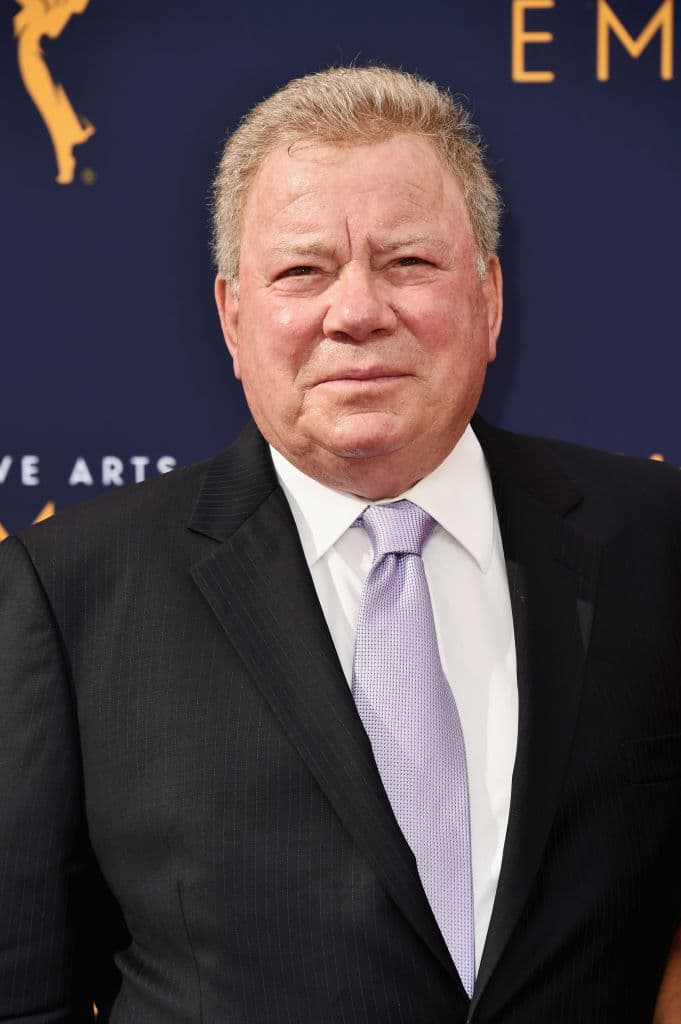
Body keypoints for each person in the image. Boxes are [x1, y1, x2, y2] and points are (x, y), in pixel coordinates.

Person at [1, 65, 680, 1023]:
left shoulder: (657, 539)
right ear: (233, 317)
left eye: (407, 262)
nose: (357, 311)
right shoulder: (69, 591)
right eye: (302, 272)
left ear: (488, 298)